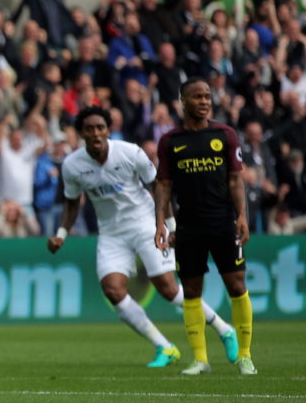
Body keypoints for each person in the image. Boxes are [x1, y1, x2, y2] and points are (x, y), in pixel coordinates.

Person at [49, 107, 237, 367]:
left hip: (145, 224)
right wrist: (60, 235)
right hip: (111, 234)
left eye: (100, 127)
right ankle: (164, 346)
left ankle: (223, 328)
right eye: (89, 128)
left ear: (108, 129)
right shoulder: (72, 165)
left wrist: (170, 226)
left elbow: (160, 187)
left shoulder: (129, 152)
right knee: (112, 290)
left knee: (168, 289)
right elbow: (72, 204)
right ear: (81, 133)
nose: (95, 133)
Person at [155, 79, 257, 376]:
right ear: (183, 101)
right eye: (197, 96)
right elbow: (163, 185)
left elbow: (236, 180)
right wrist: (160, 221)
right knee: (191, 290)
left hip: (223, 221)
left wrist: (242, 215)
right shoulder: (170, 141)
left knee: (237, 286)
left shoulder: (224, 134)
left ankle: (246, 356)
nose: (203, 101)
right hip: (188, 226)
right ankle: (200, 359)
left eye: (207, 97)